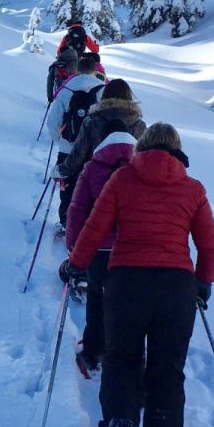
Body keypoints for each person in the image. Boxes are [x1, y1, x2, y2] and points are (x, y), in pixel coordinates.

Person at [63, 122, 214, 427]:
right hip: (176, 288)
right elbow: (210, 244)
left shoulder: (122, 180)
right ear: (178, 152)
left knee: (122, 358)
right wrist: (203, 282)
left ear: (142, 147)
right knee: (167, 370)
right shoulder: (193, 189)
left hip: (127, 283)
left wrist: (76, 263)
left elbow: (95, 227)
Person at [64, 121, 138, 375]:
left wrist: (74, 249)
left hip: (98, 249)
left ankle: (93, 352)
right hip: (130, 250)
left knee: (97, 298)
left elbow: (77, 210)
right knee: (126, 302)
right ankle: (122, 353)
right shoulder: (140, 168)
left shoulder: (92, 167)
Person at [46, 53, 105, 225]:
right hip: (94, 150)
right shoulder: (102, 89)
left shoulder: (66, 89)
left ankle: (66, 220)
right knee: (91, 185)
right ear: (95, 70)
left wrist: (60, 140)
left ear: (78, 70)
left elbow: (53, 121)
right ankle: (88, 221)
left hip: (68, 147)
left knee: (68, 185)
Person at [62, 78, 145, 184]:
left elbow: (78, 154)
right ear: (129, 96)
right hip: (128, 185)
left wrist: (62, 170)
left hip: (94, 182)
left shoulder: (92, 121)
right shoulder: (139, 125)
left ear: (105, 95)